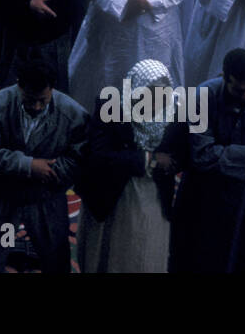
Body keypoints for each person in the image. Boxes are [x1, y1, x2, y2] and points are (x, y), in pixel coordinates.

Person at [171, 47, 245, 273]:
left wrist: (224, 154)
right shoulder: (201, 97)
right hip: (203, 193)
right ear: (225, 78)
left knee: (244, 258)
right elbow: (202, 155)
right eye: (239, 90)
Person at [0, 58, 88, 274]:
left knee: (53, 259)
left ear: (52, 89)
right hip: (6, 202)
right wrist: (29, 166)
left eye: (42, 101)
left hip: (45, 202)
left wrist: (51, 172)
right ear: (19, 86)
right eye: (29, 100)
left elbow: (78, 156)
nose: (36, 107)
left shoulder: (73, 114)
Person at [78, 58, 184, 273]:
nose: (155, 104)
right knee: (110, 253)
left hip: (152, 194)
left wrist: (171, 163)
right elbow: (100, 156)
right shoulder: (110, 106)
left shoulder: (175, 110)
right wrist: (149, 159)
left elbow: (183, 153)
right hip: (113, 193)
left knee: (144, 253)